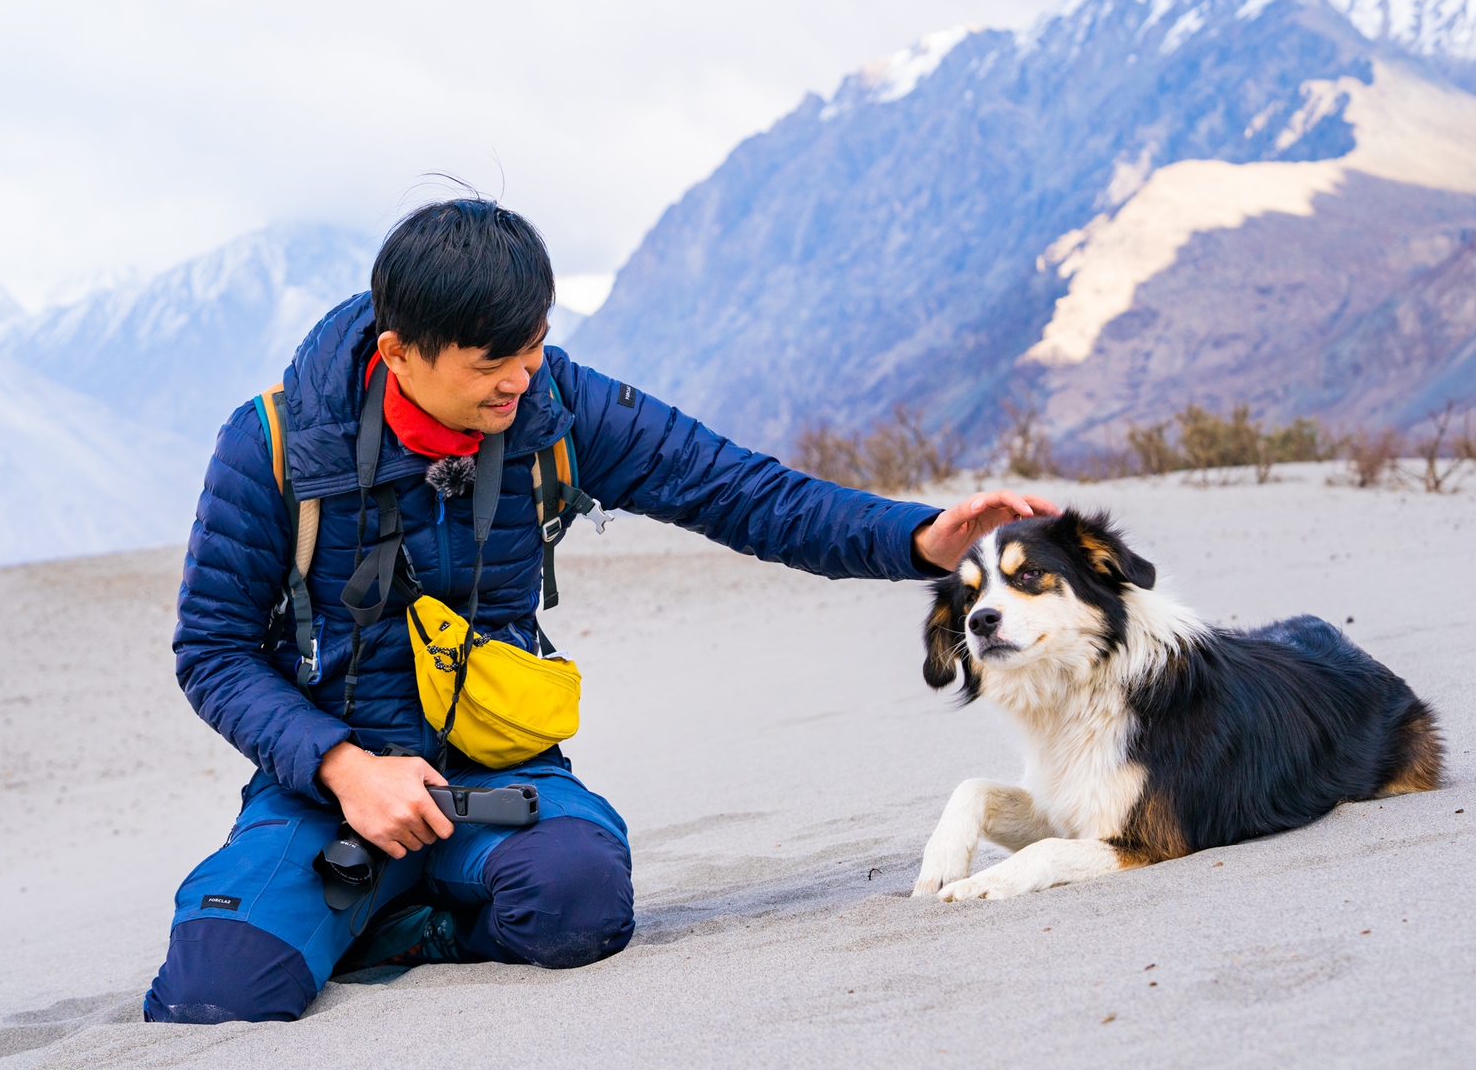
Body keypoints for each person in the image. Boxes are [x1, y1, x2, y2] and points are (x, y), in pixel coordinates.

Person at [144, 198, 1055, 1023]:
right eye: (493, 362)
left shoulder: (560, 407)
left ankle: (409, 919)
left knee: (578, 906)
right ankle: (357, 896)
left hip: (496, 776)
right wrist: (343, 768)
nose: (522, 378)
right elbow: (214, 652)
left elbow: (743, 493)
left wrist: (919, 538)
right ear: (398, 353)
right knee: (217, 990)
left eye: (535, 344)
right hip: (329, 792)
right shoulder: (270, 444)